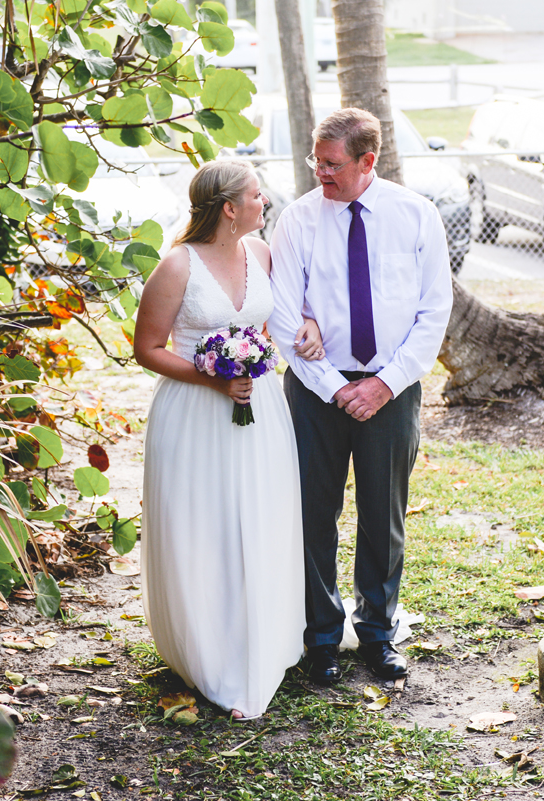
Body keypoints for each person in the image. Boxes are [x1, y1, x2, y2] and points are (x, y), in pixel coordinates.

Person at [133, 160, 326, 720]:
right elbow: (147, 348)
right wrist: (211, 377)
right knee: (204, 525)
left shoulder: (261, 254)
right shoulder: (176, 267)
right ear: (228, 207)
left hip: (260, 406)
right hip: (194, 411)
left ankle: (262, 638)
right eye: (257, 196)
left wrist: (306, 327)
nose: (265, 204)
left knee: (261, 517)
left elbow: (276, 323)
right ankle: (209, 653)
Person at [268, 108, 454, 684]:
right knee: (311, 515)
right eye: (315, 162)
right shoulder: (297, 220)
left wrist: (382, 385)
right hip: (315, 391)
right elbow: (281, 313)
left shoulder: (417, 215)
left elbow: (433, 311)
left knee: (383, 515)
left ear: (367, 161)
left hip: (391, 390)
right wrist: (337, 387)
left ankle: (377, 633)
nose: (320, 174)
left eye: (332, 164)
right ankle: (321, 638)